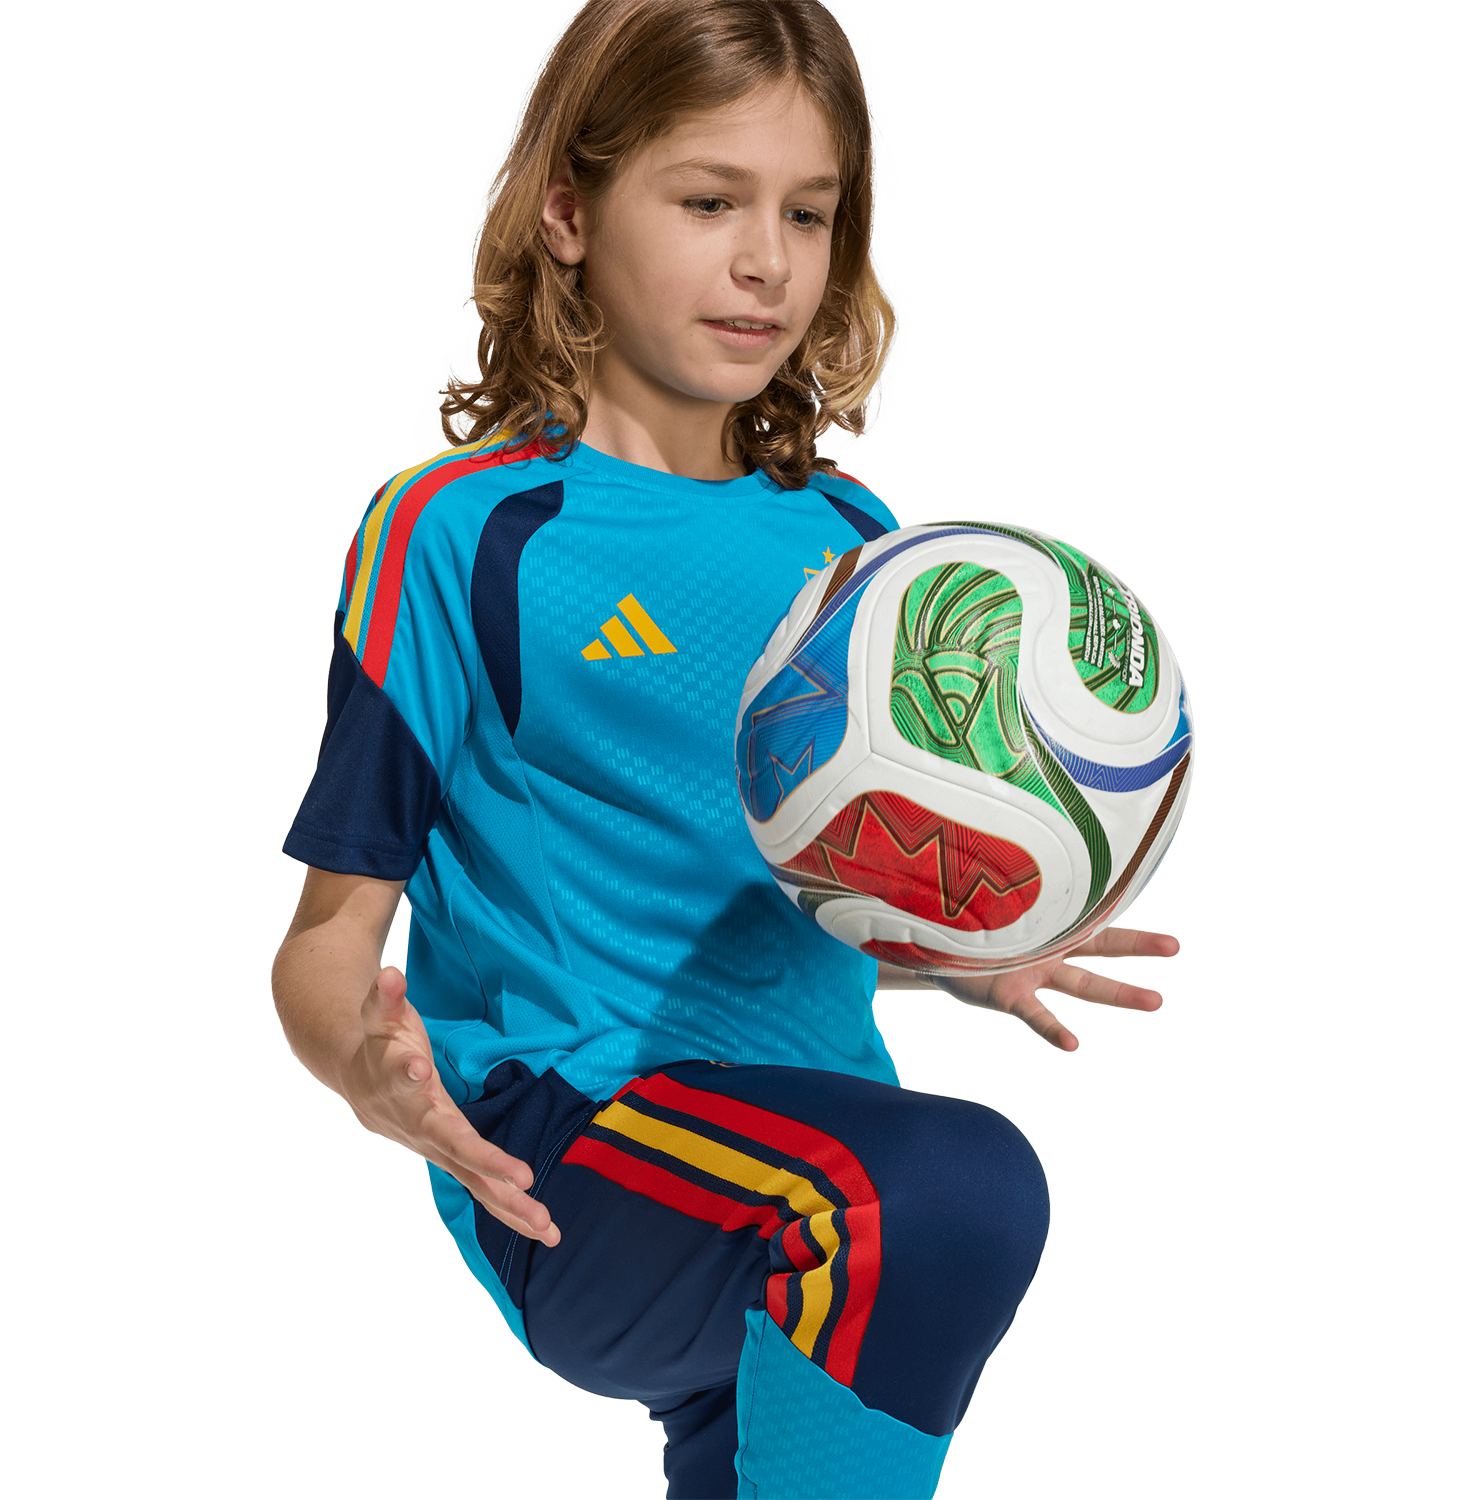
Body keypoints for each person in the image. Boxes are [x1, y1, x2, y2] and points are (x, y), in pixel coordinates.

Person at [272, 2, 1179, 1495]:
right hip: (572, 1145)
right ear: (568, 212)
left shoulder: (858, 548)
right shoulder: (461, 533)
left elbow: (791, 880)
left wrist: (957, 939)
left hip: (812, 1144)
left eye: (808, 213)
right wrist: (363, 1072)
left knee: (875, 1257)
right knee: (955, 1191)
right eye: (709, 202)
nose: (769, 261)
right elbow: (325, 942)